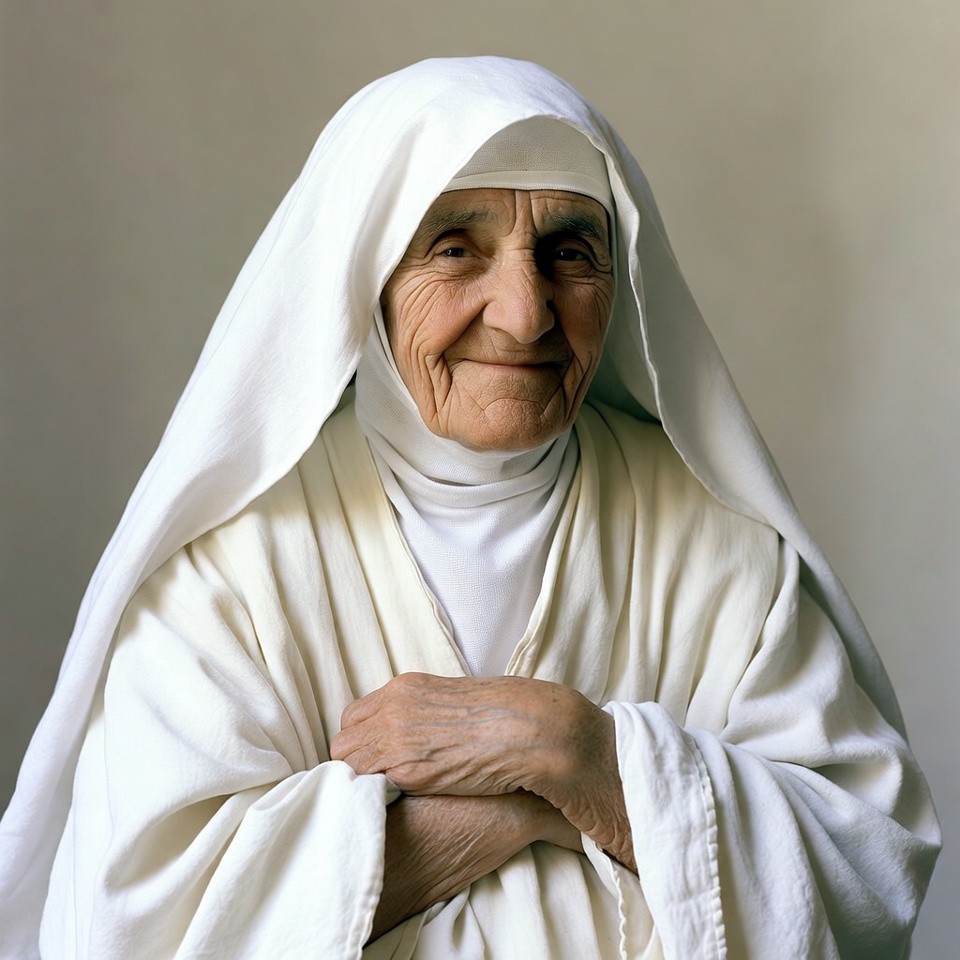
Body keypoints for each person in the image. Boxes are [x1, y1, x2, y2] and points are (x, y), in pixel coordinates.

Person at [0, 57, 940, 959]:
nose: (525, 313)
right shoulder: (229, 564)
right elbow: (136, 920)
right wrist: (549, 804)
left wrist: (574, 748)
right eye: (456, 249)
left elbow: (867, 866)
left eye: (570, 252)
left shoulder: (713, 541)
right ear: (365, 275)